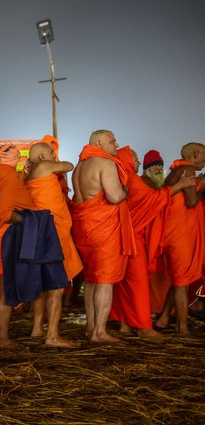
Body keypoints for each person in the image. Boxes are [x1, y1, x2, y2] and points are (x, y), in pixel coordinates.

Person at [111, 146, 194, 338]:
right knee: (139, 283)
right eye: (137, 159)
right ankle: (144, 327)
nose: (138, 162)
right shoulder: (134, 180)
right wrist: (180, 187)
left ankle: (125, 325)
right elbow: (152, 199)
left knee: (127, 283)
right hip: (134, 238)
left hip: (131, 237)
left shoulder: (129, 179)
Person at [71, 130, 135, 344]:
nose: (116, 144)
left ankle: (91, 327)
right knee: (105, 281)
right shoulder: (105, 163)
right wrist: (126, 190)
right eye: (112, 141)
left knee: (91, 279)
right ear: (98, 142)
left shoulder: (79, 166)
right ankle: (100, 332)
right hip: (103, 229)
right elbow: (115, 196)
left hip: (84, 228)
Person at [26, 142, 82, 348]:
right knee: (57, 287)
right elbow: (69, 166)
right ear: (41, 156)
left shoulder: (32, 171)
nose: (54, 155)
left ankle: (36, 329)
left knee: (42, 285)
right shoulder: (43, 166)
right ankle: (52, 336)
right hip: (54, 233)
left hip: (43, 231)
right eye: (50, 152)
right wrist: (56, 162)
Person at [0, 144, 36, 348]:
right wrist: (30, 219)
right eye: (13, 152)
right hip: (5, 235)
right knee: (7, 286)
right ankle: (2, 338)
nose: (18, 155)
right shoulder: (8, 175)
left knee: (1, 286)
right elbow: (2, 212)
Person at [154, 142, 205, 334]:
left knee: (179, 278)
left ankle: (164, 318)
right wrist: (202, 186)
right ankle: (182, 327)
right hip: (180, 234)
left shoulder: (177, 170)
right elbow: (192, 201)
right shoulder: (187, 169)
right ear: (194, 154)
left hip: (176, 232)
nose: (204, 162)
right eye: (204, 157)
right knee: (182, 281)